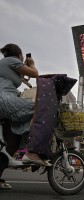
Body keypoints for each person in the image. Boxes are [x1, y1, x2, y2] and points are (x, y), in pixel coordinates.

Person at [0, 43, 39, 189]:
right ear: (18, 54)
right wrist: (32, 64)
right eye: (21, 55)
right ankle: (32, 151)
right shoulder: (11, 60)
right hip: (4, 100)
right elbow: (35, 74)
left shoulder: (7, 65)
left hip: (4, 103)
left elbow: (24, 79)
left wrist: (24, 67)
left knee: (12, 144)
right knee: (37, 107)